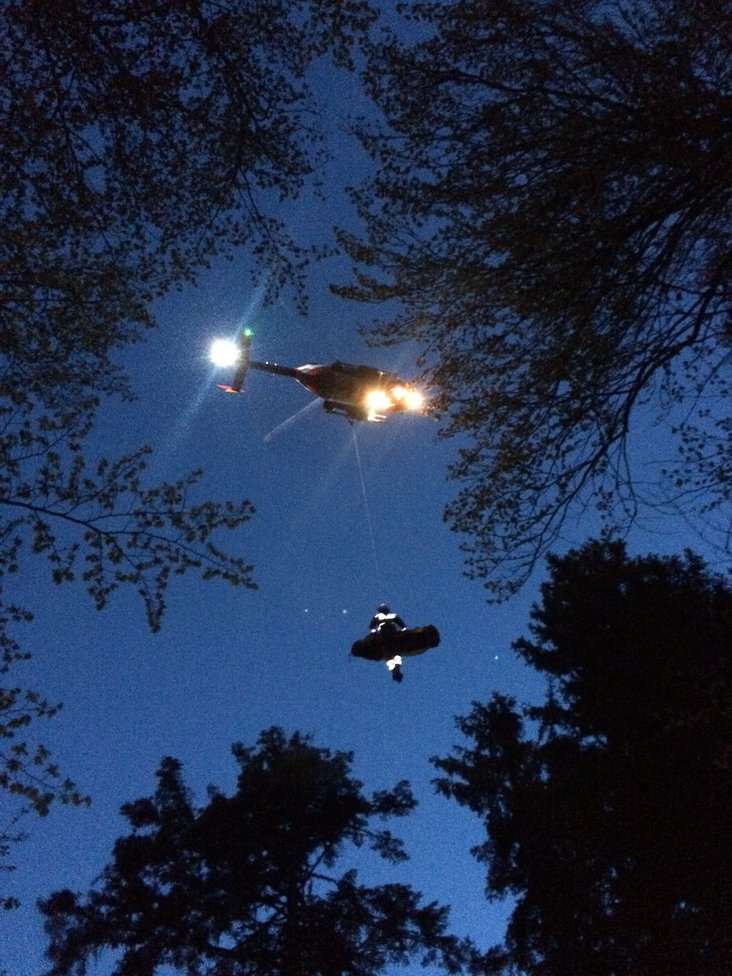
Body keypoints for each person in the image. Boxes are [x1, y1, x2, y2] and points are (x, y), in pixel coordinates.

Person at [369, 605, 407, 682]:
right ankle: (396, 670)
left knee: (388, 654)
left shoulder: (378, 617)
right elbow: (401, 624)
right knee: (396, 652)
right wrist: (404, 630)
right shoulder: (392, 615)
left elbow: (372, 626)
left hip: (384, 635)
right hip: (393, 634)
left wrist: (374, 633)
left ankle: (395, 671)